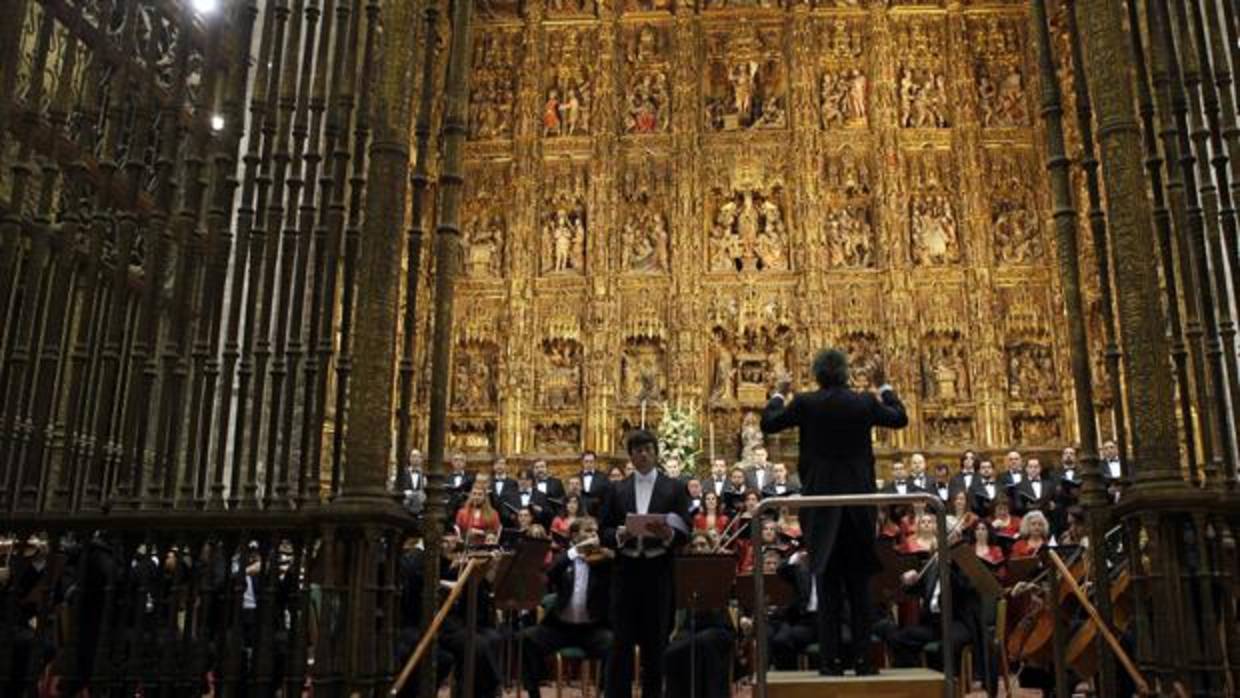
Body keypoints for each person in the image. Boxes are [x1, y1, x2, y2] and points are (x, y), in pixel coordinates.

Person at [760, 348, 908, 675]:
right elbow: (899, 417)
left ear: (817, 374)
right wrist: (883, 386)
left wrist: (779, 393)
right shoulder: (864, 402)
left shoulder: (805, 403)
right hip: (858, 505)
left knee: (826, 586)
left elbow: (768, 423)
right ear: (844, 373)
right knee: (859, 587)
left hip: (821, 506)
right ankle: (863, 662)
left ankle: (829, 665)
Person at [600, 429, 691, 698]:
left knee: (656, 646)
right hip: (625, 573)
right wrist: (619, 534)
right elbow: (602, 530)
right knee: (620, 645)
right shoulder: (616, 489)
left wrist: (669, 535)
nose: (643, 455)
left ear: (656, 453)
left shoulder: (674, 487)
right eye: (638, 450)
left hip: (658, 573)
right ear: (630, 456)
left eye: (648, 450)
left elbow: (686, 531)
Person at [519, 517, 614, 698]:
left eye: (595, 531)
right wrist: (574, 552)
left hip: (592, 629)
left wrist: (608, 554)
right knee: (528, 638)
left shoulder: (603, 562)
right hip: (561, 627)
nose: (593, 534)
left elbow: (615, 571)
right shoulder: (564, 559)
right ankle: (533, 693)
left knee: (613, 644)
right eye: (588, 531)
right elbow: (550, 574)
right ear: (575, 535)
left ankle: (604, 692)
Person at [663, 532, 736, 698]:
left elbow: (734, 599)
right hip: (690, 628)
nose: (699, 548)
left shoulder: (722, 568)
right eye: (695, 546)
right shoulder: (683, 573)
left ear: (711, 548)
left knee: (703, 642)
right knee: (672, 651)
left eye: (703, 545)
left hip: (720, 628)